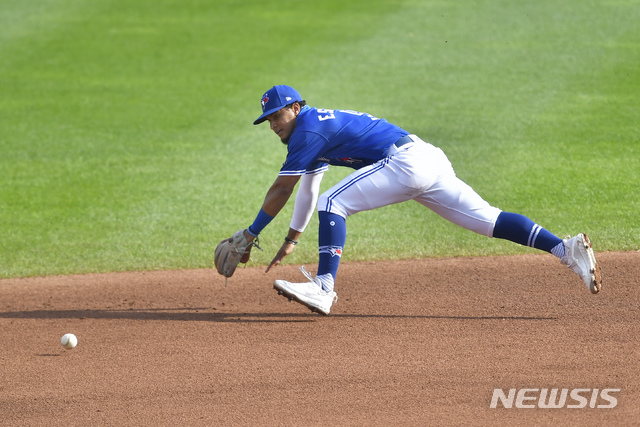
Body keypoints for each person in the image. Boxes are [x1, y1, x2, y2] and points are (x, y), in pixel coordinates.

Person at [236, 84, 602, 315]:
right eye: (267, 120)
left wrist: (251, 234)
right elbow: (308, 188)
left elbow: (284, 189)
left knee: (335, 203)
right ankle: (565, 249)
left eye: (277, 115)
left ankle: (323, 288)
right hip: (426, 158)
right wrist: (291, 240)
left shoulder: (308, 128)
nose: (273, 125)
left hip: (406, 163)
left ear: (296, 108)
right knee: (488, 220)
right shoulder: (314, 129)